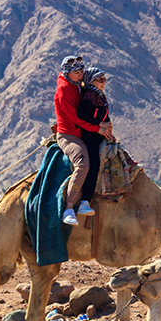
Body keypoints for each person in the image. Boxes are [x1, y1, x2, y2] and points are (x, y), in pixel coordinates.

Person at [53, 55, 113, 226]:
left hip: (83, 132)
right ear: (68, 73)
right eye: (77, 72)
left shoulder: (77, 87)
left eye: (82, 72)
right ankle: (69, 208)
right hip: (69, 135)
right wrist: (98, 128)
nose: (81, 75)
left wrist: (106, 127)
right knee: (83, 163)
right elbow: (76, 118)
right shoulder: (63, 90)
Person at [77, 67, 111, 209]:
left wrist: (108, 127)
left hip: (99, 134)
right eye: (100, 79)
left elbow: (103, 114)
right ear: (91, 81)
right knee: (94, 164)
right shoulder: (90, 95)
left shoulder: (99, 95)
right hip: (90, 135)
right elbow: (82, 114)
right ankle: (85, 200)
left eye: (104, 79)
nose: (103, 82)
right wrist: (99, 124)